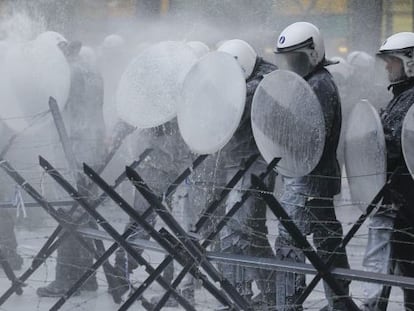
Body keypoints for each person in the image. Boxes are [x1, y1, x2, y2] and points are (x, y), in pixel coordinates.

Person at [273, 22, 350, 310]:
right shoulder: (312, 82)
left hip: (309, 178)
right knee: (327, 239)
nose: (291, 64)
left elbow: (311, 135)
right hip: (311, 177)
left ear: (313, 54)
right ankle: (340, 298)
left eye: (297, 58)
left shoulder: (319, 85)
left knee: (290, 240)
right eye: (288, 58)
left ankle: (290, 301)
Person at [37, 40, 106, 297]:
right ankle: (87, 276)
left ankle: (65, 279)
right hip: (93, 147)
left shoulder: (69, 74)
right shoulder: (93, 71)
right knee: (85, 212)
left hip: (73, 147)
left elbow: (57, 106)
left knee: (69, 212)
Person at [216, 39, 278, 308]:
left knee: (242, 229)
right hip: (239, 163)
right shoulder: (243, 77)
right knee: (246, 231)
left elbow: (234, 109)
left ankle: (253, 293)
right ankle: (257, 292)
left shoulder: (264, 80)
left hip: (256, 165)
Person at [361, 32, 414, 311]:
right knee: (387, 260)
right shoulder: (400, 96)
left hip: (404, 197)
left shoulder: (411, 99)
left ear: (409, 62)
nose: (386, 67)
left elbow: (394, 145)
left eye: (391, 61)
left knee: (405, 262)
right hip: (393, 195)